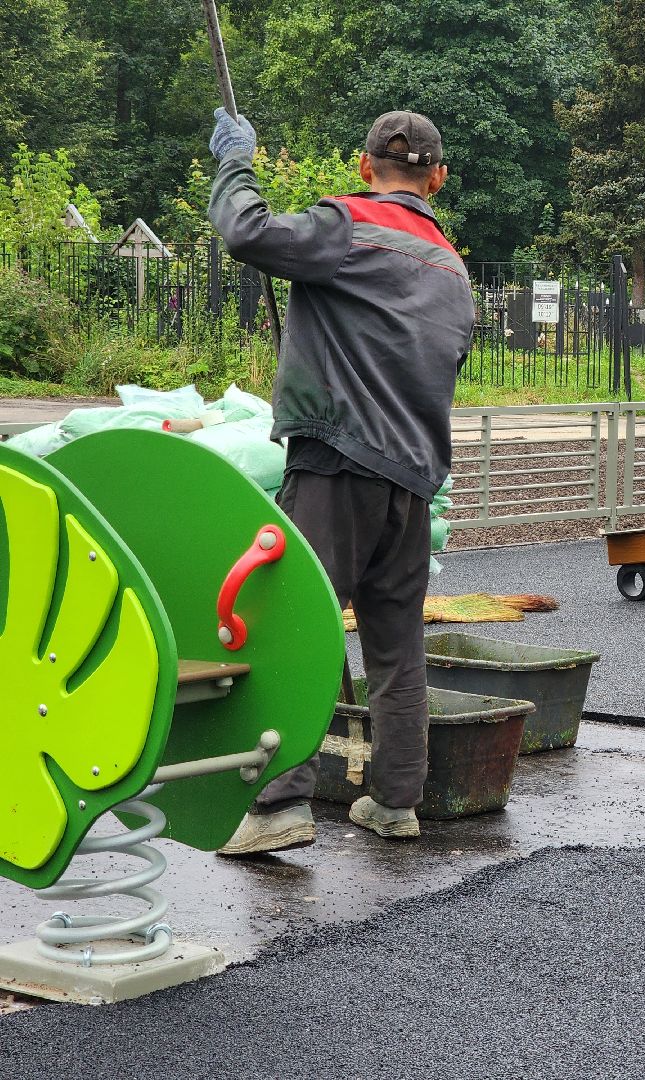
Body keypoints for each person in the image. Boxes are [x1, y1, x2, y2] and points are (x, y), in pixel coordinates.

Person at [207, 109, 475, 851]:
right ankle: (395, 803)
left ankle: (279, 806)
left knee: (301, 631)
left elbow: (245, 231)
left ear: (364, 167)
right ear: (438, 177)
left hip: (334, 467)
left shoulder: (346, 227)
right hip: (413, 482)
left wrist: (237, 160)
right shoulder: (452, 269)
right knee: (397, 649)